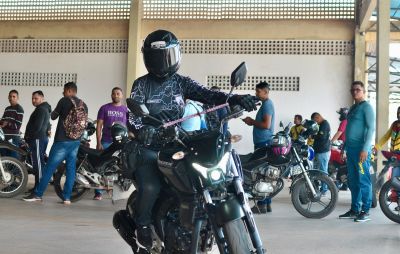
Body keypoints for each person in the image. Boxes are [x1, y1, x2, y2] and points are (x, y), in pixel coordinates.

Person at [127, 30, 256, 249]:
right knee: (150, 186)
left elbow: (208, 94)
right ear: (149, 59)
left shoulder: (181, 82)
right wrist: (143, 131)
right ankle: (143, 225)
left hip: (178, 142)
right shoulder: (141, 84)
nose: (163, 62)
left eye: (168, 56)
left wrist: (235, 98)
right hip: (150, 146)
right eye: (158, 57)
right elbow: (133, 117)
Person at [23, 82, 88, 204]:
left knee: (49, 168)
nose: (63, 93)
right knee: (70, 169)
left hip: (62, 141)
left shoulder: (64, 101)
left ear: (68, 91)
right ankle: (67, 197)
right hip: (75, 142)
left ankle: (38, 194)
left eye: (64, 91)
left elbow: (52, 117)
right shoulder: (84, 104)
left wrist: (56, 111)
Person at [338, 81, 375, 222]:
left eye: (358, 90)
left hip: (361, 151)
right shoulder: (353, 108)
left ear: (363, 91)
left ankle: (365, 211)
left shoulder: (367, 108)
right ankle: (355, 209)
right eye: (353, 90)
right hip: (351, 150)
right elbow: (348, 129)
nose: (355, 92)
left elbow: (371, 129)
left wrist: (365, 149)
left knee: (363, 180)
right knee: (353, 181)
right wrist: (344, 148)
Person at [243, 81, 274, 213]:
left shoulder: (267, 105)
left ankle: (261, 204)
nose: (256, 94)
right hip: (262, 141)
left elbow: (266, 125)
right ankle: (266, 204)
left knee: (261, 173)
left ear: (265, 92)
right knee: (264, 173)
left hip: (263, 142)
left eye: (258, 91)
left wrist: (251, 122)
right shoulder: (265, 104)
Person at [94, 87, 128, 200]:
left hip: (121, 143)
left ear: (122, 96)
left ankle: (114, 190)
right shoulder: (104, 108)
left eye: (118, 93)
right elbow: (99, 126)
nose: (116, 95)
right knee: (101, 166)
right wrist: (98, 142)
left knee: (117, 167)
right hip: (106, 141)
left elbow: (129, 127)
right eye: (114, 93)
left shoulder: (126, 110)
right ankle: (98, 192)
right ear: (111, 95)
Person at [24, 91, 51, 193]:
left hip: (37, 139)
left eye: (36, 98)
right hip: (39, 139)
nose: (33, 100)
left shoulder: (41, 109)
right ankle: (37, 186)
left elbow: (37, 127)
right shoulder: (44, 109)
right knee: (37, 164)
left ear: (42, 98)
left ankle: (38, 189)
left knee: (38, 164)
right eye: (32, 98)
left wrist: (28, 136)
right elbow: (47, 124)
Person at [374, 106, 400, 210]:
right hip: (395, 155)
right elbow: (386, 137)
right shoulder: (394, 124)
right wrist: (376, 147)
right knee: (394, 177)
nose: (399, 114)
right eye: (398, 112)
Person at [0, 90, 24, 158]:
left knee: (13, 157)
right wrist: (1, 122)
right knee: (5, 157)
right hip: (4, 137)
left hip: (13, 137)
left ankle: (17, 169)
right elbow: (3, 120)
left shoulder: (19, 109)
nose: (11, 98)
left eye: (14, 96)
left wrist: (7, 124)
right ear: (8, 97)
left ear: (17, 98)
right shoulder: (7, 109)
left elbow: (18, 126)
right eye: (10, 96)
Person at [311, 112, 331, 193]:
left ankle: (324, 189)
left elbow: (321, 137)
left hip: (323, 151)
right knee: (317, 170)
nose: (315, 122)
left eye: (315, 120)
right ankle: (317, 188)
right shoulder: (321, 124)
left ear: (317, 117)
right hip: (319, 150)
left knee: (323, 171)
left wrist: (313, 136)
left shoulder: (324, 124)